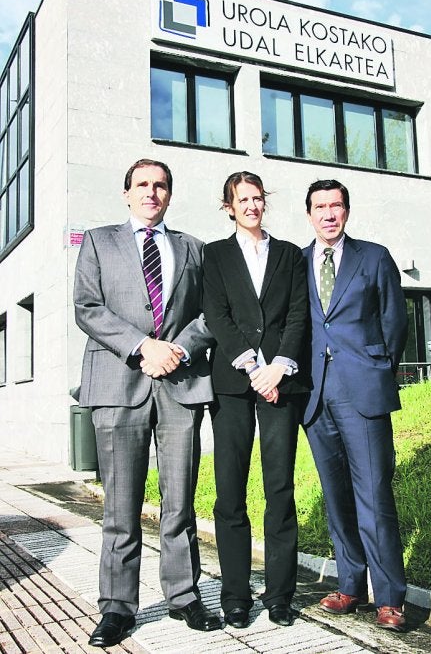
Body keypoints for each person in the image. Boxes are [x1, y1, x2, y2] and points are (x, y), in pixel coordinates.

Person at [74, 158, 221, 648]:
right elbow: (87, 307)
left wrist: (178, 348)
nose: (151, 192)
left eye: (160, 185)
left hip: (180, 383)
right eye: (142, 184)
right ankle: (117, 608)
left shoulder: (193, 247)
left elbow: (210, 313)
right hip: (119, 384)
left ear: (169, 195)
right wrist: (143, 347)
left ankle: (184, 596)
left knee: (179, 501)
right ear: (127, 193)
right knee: (121, 505)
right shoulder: (98, 241)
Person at [202, 172, 309, 629]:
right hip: (232, 383)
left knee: (279, 489)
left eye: (258, 198)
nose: (251, 205)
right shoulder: (215, 254)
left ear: (265, 202)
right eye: (242, 199)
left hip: (281, 382)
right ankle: (235, 596)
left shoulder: (289, 254)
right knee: (230, 492)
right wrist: (252, 366)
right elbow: (216, 314)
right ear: (229, 206)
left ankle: (280, 595)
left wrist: (278, 367)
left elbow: (299, 314)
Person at [302, 179, 408, 632]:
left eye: (336, 206)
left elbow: (395, 321)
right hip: (315, 395)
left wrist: (377, 368)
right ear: (309, 214)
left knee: (374, 494)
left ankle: (389, 597)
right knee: (336, 495)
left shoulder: (374, 257)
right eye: (320, 207)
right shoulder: (297, 262)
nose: (329, 214)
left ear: (346, 211)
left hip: (361, 391)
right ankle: (350, 584)